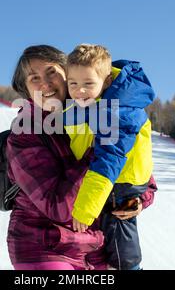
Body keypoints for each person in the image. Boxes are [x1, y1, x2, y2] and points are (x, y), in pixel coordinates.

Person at [6, 45, 157, 270]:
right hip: (44, 247)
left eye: (51, 72)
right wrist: (101, 149)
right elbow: (57, 207)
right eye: (34, 78)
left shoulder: (95, 112)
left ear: (67, 74)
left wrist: (136, 200)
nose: (45, 84)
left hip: (94, 249)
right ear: (26, 91)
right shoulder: (25, 134)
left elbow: (142, 175)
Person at [64, 44, 156, 270]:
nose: (79, 91)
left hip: (121, 183)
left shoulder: (120, 108)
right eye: (73, 84)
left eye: (88, 84)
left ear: (106, 82)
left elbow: (109, 159)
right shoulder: (95, 102)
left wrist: (85, 210)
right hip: (112, 182)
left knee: (120, 243)